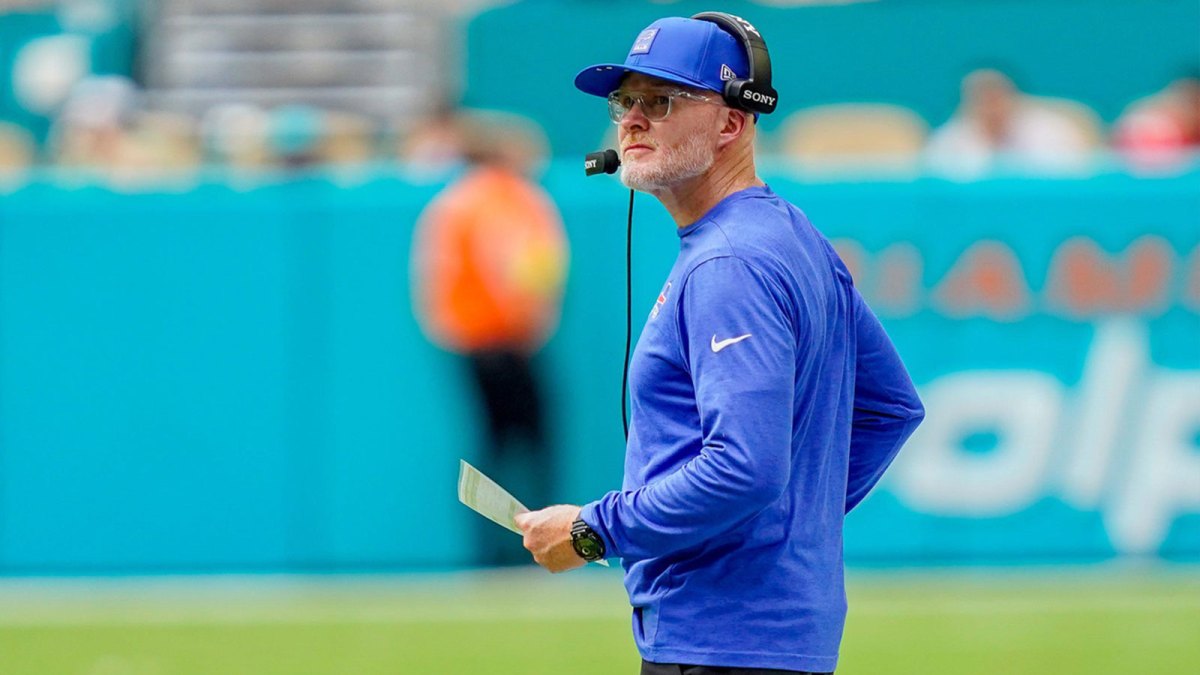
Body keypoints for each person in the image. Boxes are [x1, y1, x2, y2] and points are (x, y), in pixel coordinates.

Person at [514, 13, 925, 675]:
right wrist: (783, 532)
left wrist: (594, 530)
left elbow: (746, 467)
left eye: (661, 100)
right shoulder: (791, 235)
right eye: (626, 100)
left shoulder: (727, 262)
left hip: (718, 642)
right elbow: (892, 409)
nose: (631, 121)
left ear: (732, 123)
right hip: (765, 638)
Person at [411, 112, 568, 565]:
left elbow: (431, 278)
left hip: (470, 342)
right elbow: (523, 267)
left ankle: (491, 550)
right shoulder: (508, 199)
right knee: (532, 442)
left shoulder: (453, 201)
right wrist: (533, 319)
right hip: (507, 340)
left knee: (491, 445)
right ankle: (538, 547)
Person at [924, 68, 1090, 176]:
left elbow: (1074, 180)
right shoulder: (949, 140)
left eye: (996, 96)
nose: (991, 106)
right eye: (980, 98)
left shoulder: (1055, 131)